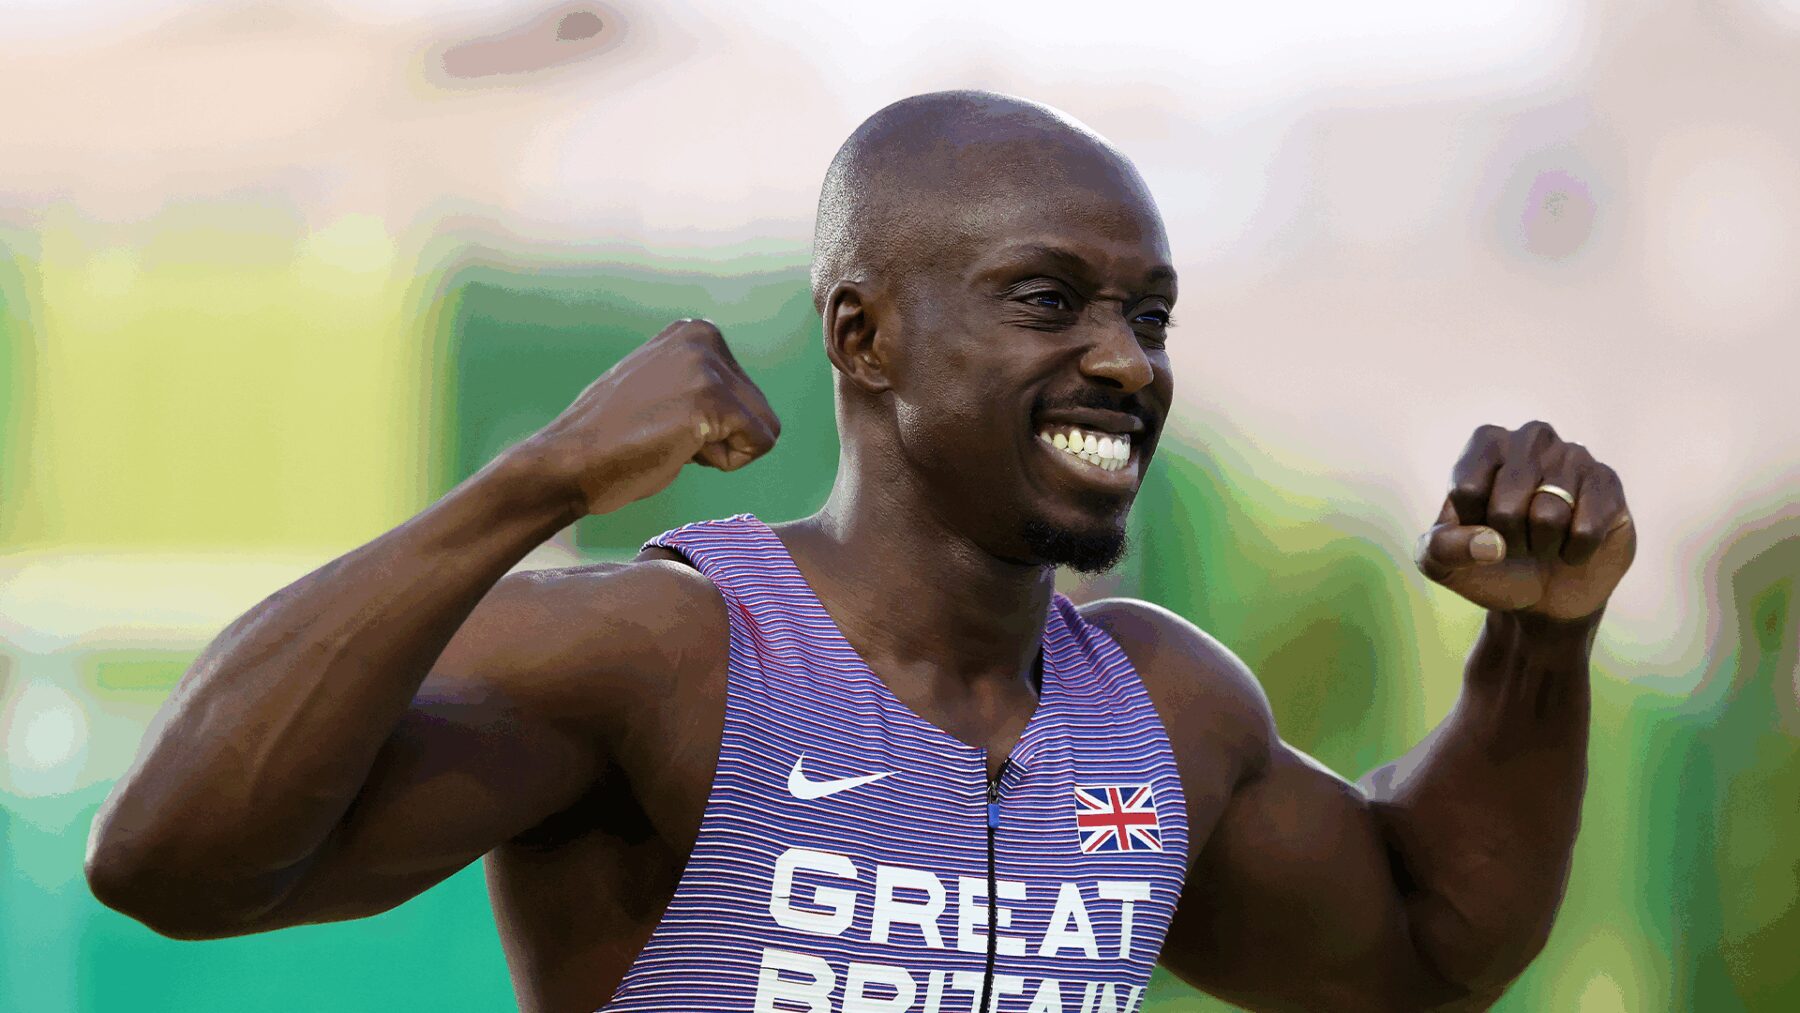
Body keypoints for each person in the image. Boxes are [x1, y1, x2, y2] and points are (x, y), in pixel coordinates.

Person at [86, 90, 1636, 1013]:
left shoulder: (1161, 709)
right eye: (1049, 300)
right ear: (861, 334)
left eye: (1149, 316)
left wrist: (1539, 645)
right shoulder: (671, 653)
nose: (1128, 360)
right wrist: (535, 481)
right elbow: (171, 862)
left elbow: (1422, 952)